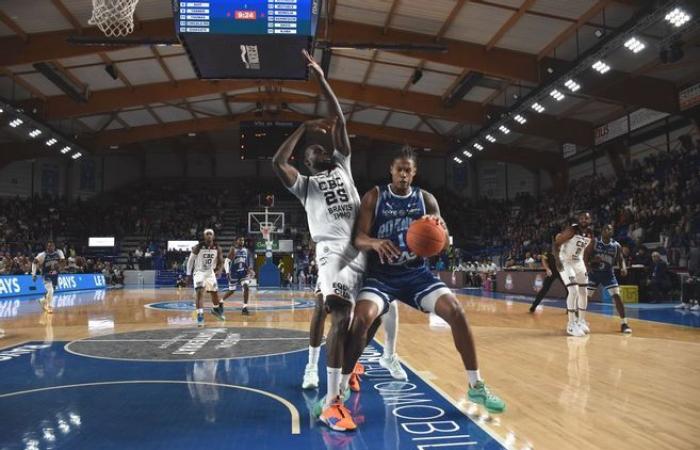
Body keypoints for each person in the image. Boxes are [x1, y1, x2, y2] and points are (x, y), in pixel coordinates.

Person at [340, 147, 506, 420]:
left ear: (414, 173)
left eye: (408, 170)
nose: (403, 174)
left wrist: (439, 229)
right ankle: (340, 388)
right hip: (381, 276)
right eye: (399, 169)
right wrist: (375, 242)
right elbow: (358, 238)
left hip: (416, 275)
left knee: (456, 311)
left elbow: (442, 244)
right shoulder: (375, 196)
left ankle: (476, 385)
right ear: (391, 171)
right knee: (361, 320)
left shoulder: (426, 199)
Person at [271, 50, 365, 431]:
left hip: (361, 249)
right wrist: (303, 128)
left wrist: (322, 80)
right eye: (314, 151)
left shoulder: (342, 164)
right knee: (337, 315)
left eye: (322, 147)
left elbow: (340, 119)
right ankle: (329, 399)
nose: (320, 151)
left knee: (366, 316)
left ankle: (341, 373)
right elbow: (278, 163)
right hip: (331, 252)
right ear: (307, 162)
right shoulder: (306, 185)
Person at [554, 212, 594, 337]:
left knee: (583, 292)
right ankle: (571, 325)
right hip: (566, 261)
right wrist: (557, 261)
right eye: (581, 218)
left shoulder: (590, 234)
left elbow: (586, 251)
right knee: (573, 290)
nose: (583, 220)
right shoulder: (572, 230)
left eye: (586, 218)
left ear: (590, 220)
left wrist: (586, 265)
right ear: (578, 220)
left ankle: (581, 321)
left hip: (578, 261)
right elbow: (556, 244)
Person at [586, 224, 632, 333]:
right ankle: (578, 321)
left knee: (617, 296)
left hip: (608, 274)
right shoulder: (594, 242)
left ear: (612, 232)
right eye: (606, 229)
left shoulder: (616, 245)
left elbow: (621, 259)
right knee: (585, 298)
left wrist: (623, 268)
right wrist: (589, 266)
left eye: (610, 229)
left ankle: (624, 323)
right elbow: (585, 256)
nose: (608, 231)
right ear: (602, 231)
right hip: (594, 273)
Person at [186, 229, 224, 326]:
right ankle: (200, 315)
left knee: (214, 293)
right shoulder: (198, 247)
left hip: (210, 273)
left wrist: (219, 270)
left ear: (213, 236)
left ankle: (215, 309)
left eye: (210, 234)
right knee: (199, 292)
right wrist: (188, 274)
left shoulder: (217, 248)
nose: (209, 236)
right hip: (199, 272)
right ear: (204, 236)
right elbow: (190, 261)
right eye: (207, 234)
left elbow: (221, 261)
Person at [222, 237, 255, 316]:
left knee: (246, 287)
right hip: (234, 273)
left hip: (243, 272)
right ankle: (221, 301)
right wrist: (227, 272)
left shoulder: (246, 250)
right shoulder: (233, 249)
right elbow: (226, 261)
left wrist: (250, 269)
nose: (242, 241)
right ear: (236, 241)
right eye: (240, 240)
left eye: (243, 240)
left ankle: (245, 308)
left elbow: (246, 262)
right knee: (232, 291)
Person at [31, 241, 65, 313]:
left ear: (54, 246)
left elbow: (63, 261)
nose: (51, 247)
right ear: (47, 247)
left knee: (52, 291)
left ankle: (42, 300)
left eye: (52, 246)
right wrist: (33, 274)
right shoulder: (42, 255)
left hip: (55, 273)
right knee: (50, 290)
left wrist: (61, 267)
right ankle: (49, 306)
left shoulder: (59, 252)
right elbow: (34, 262)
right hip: (46, 274)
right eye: (49, 246)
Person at [529, 245, 564, 313]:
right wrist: (547, 269)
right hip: (551, 272)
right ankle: (534, 306)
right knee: (544, 289)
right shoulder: (549, 250)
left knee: (569, 289)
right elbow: (544, 259)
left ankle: (571, 309)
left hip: (562, 272)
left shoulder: (565, 250)